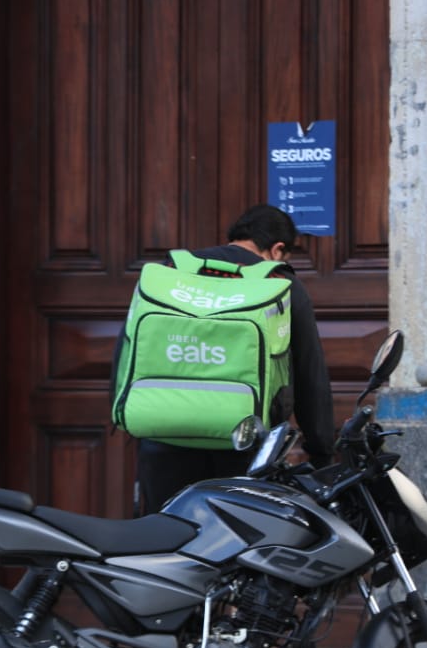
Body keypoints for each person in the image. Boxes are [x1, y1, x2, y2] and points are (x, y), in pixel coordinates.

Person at [126, 203, 336, 514]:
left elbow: (130, 348)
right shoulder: (281, 283)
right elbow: (309, 374)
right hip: (244, 443)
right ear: (278, 249)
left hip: (163, 438)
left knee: (163, 538)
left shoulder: (168, 272)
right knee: (237, 543)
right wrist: (321, 451)